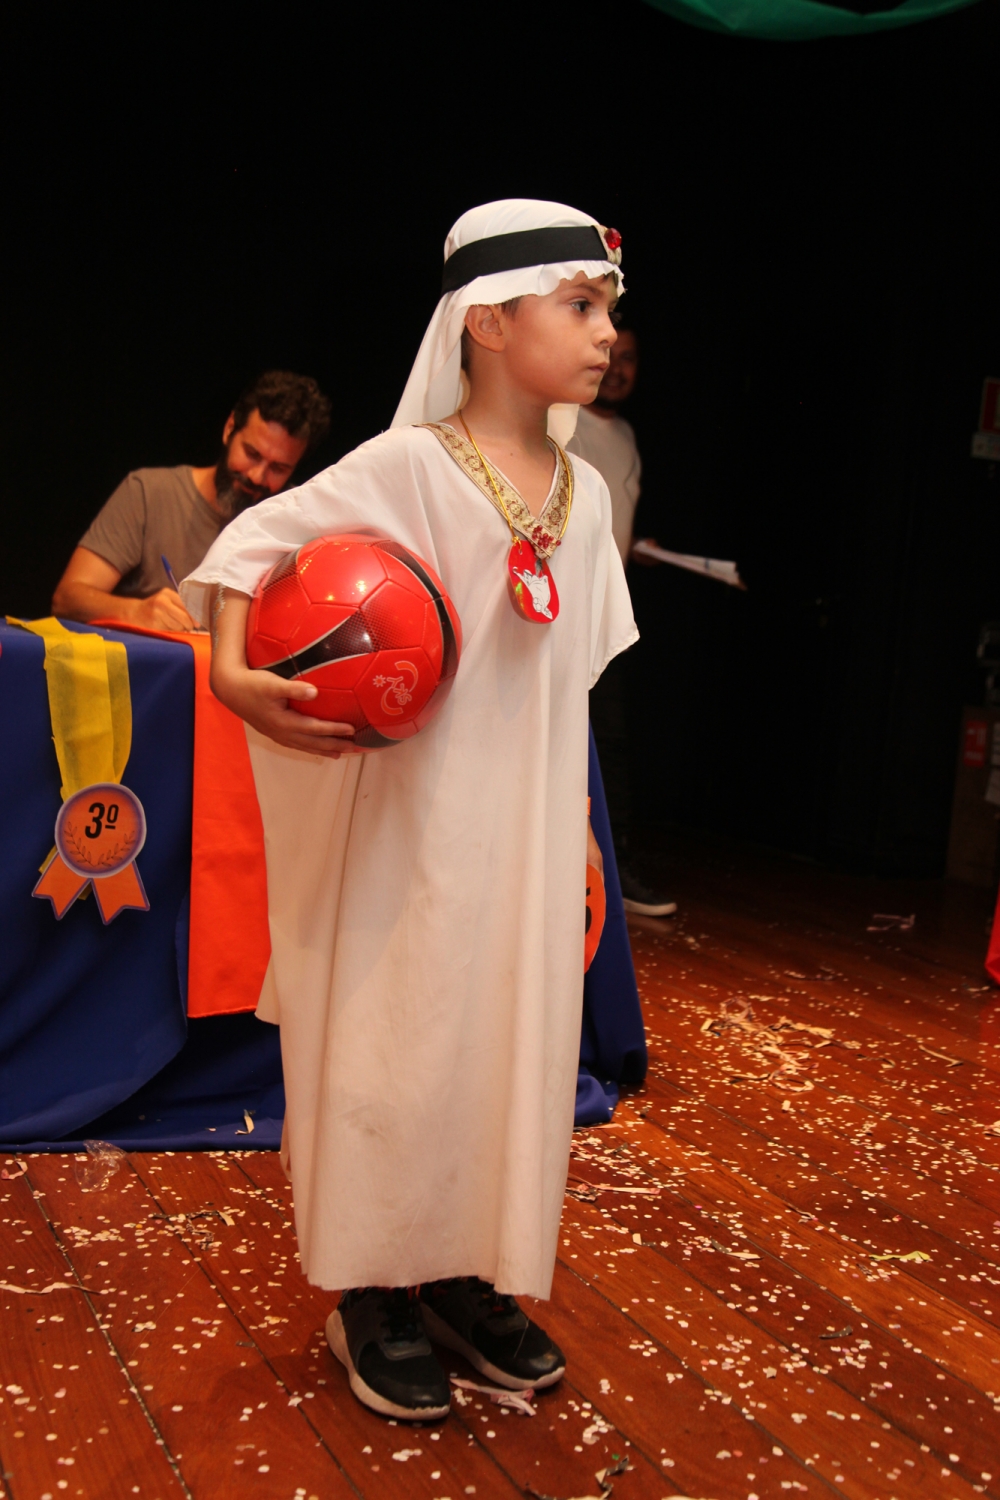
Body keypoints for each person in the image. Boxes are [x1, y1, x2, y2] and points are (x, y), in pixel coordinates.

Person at [181, 199, 635, 1422]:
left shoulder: (586, 493)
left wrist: (573, 828)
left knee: (502, 1045)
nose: (605, 333)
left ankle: (464, 1271)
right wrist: (233, 674)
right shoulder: (408, 467)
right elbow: (247, 551)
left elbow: (568, 679)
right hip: (411, 829)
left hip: (524, 835)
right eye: (579, 305)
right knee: (401, 1043)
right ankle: (371, 1291)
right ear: (486, 322)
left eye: (607, 309)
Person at [51, 370, 331, 630]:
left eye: (278, 468)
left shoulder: (297, 523)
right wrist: (135, 611)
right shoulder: (149, 492)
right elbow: (66, 599)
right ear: (229, 429)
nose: (257, 476)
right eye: (252, 454)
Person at [568, 327, 677, 918]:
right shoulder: (562, 421)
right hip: (559, 607)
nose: (617, 367)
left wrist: (635, 549)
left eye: (629, 358)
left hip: (607, 612)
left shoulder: (628, 436)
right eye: (611, 353)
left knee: (609, 741)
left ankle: (613, 867)